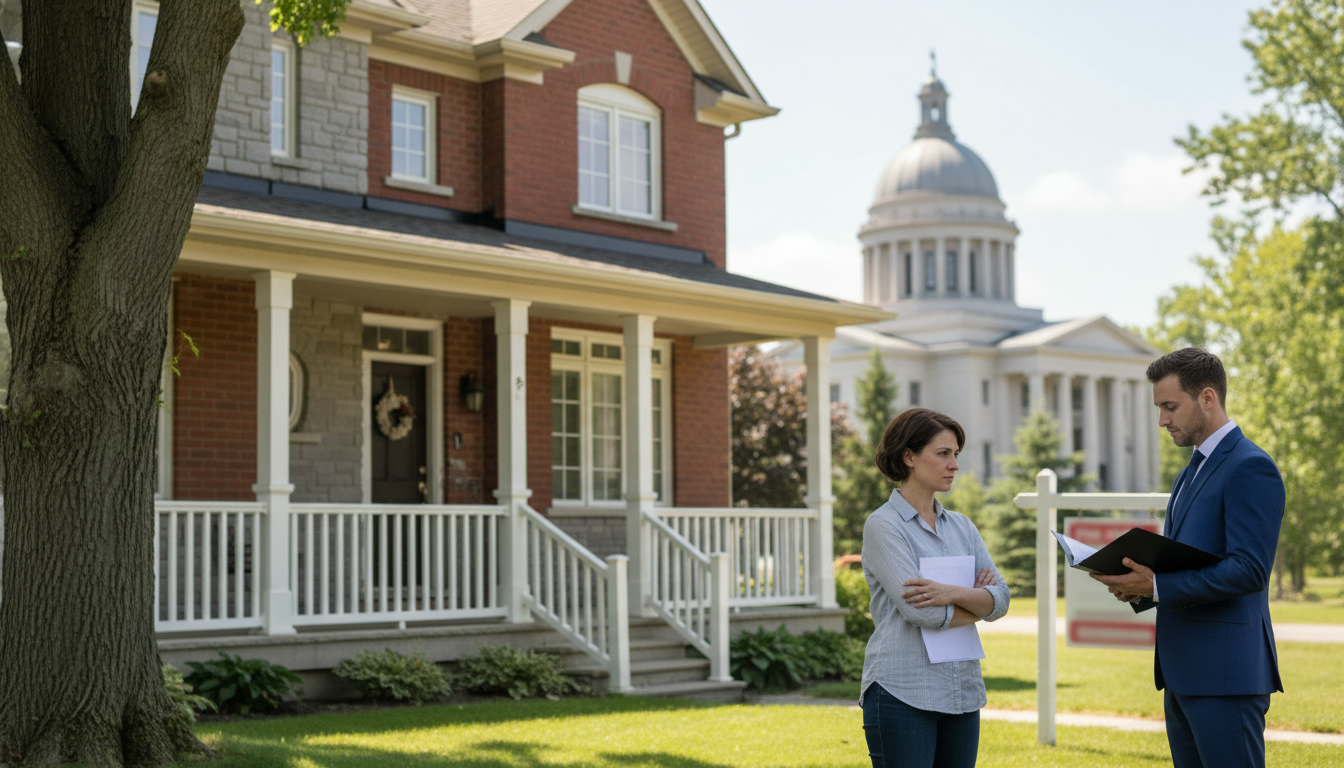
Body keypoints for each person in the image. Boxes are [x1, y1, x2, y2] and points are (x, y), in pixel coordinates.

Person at [1092, 347, 1284, 768]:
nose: (1163, 420)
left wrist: (1157, 586)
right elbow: (1185, 561)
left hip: (1226, 675)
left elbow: (1249, 570)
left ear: (1208, 398)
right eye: (1160, 408)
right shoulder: (1190, 470)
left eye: (1170, 407)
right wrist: (1138, 585)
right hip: (1182, 675)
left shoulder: (1251, 467)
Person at [860, 407, 1009, 768]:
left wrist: (953, 593)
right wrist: (977, 602)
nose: (954, 464)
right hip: (902, 691)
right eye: (943, 453)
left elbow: (1002, 599)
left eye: (956, 454)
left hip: (961, 691)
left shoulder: (962, 526)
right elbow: (921, 611)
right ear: (909, 457)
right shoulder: (884, 526)